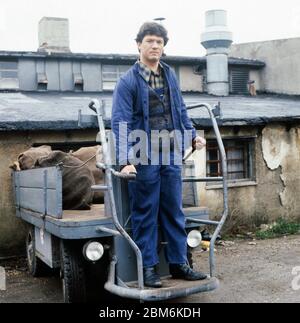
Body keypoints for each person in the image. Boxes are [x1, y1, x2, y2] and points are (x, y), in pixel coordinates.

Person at [111, 22, 207, 288]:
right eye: (150, 41)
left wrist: (191, 135)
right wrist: (126, 161)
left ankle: (179, 264)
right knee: (146, 212)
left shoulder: (170, 75)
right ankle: (149, 268)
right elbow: (120, 123)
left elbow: (181, 110)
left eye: (159, 42)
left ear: (164, 47)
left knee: (174, 211)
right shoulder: (127, 81)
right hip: (143, 154)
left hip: (171, 152)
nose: (155, 46)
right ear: (139, 45)